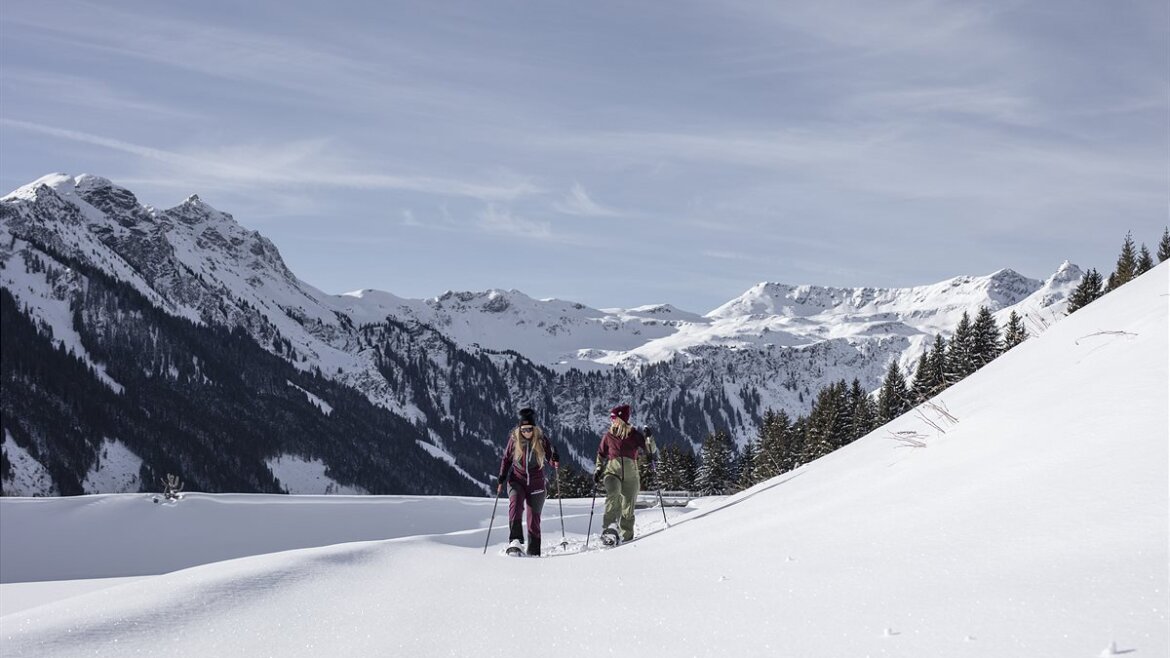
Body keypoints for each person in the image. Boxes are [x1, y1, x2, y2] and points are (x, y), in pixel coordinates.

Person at [497, 407, 559, 556]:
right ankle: (515, 541)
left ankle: (533, 551)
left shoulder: (541, 440)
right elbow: (506, 459)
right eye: (523, 430)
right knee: (515, 505)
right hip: (516, 480)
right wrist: (502, 477)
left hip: (536, 483)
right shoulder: (514, 440)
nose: (526, 432)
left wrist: (555, 459)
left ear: (534, 428)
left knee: (533, 518)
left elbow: (551, 460)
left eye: (529, 429)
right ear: (519, 429)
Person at [593, 404, 658, 545]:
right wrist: (598, 468)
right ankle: (609, 530)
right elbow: (601, 453)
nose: (611, 420)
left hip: (631, 476)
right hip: (612, 473)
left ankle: (626, 538)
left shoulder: (634, 435)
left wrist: (649, 438)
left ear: (621, 419)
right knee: (614, 495)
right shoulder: (608, 436)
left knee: (628, 507)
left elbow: (650, 451)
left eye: (613, 418)